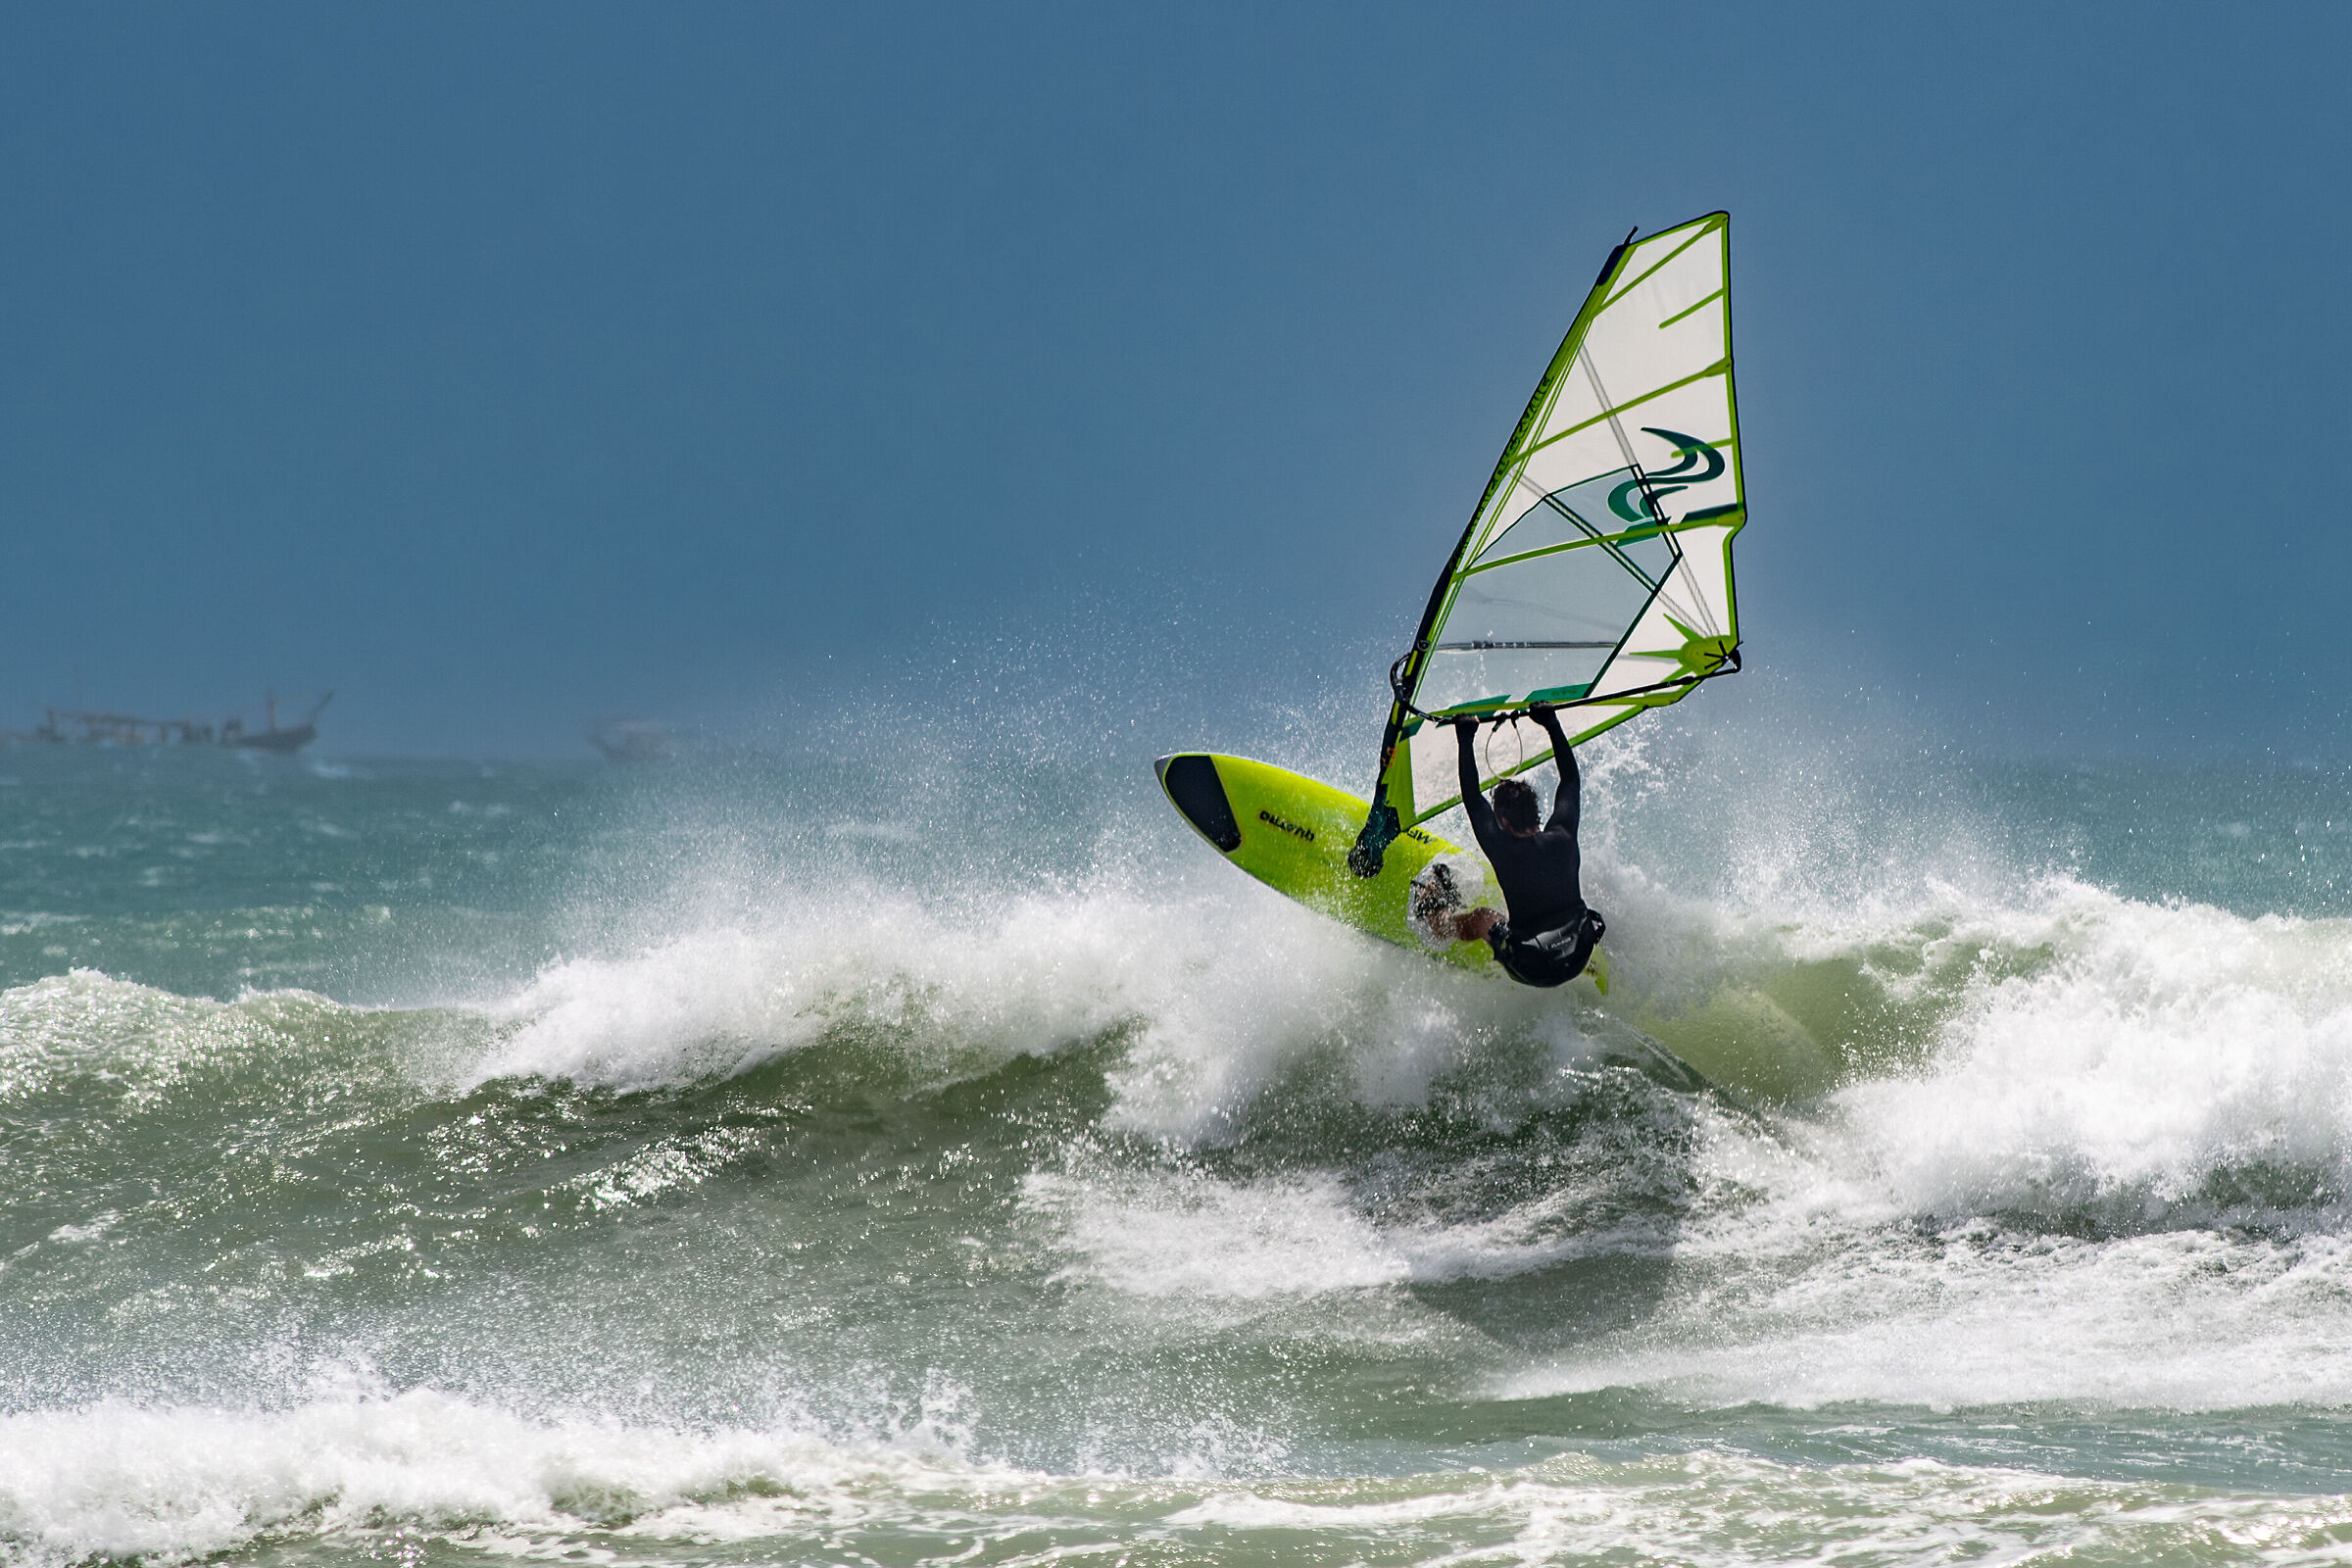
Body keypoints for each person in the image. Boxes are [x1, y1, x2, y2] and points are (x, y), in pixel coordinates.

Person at [1423, 704, 1606, 987]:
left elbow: (1472, 798)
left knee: (1486, 917)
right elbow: (1570, 780)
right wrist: (1551, 723)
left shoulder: (1502, 848)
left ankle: (1438, 923)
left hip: (1533, 966)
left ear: (1503, 822)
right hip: (1581, 949)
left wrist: (1465, 738)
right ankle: (1580, 964)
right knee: (1566, 911)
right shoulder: (1564, 835)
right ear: (1536, 813)